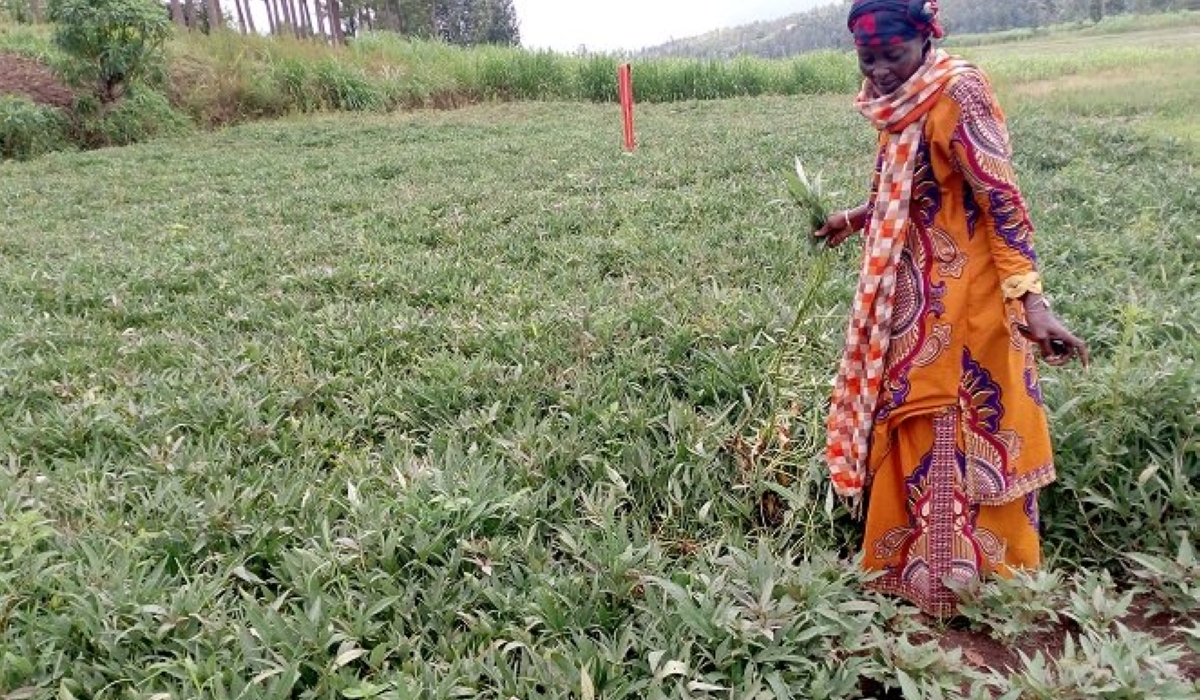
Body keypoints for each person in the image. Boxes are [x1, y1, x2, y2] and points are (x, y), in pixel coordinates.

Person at [814, 0, 1089, 617]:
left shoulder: (957, 94)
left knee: (958, 417)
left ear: (926, 41)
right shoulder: (898, 100)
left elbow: (1003, 202)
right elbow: (909, 190)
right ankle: (913, 568)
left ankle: (977, 583)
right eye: (868, 57)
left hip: (971, 303)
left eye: (893, 55)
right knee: (911, 414)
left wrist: (1034, 302)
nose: (880, 71)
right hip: (913, 294)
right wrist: (855, 219)